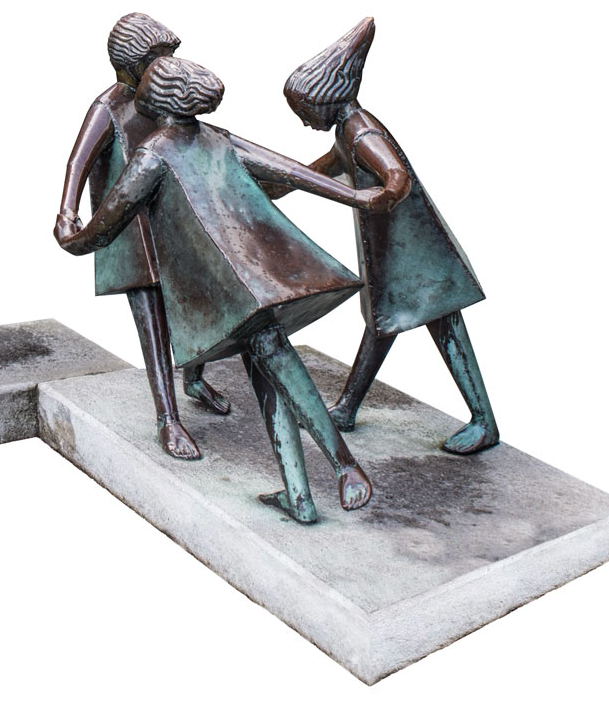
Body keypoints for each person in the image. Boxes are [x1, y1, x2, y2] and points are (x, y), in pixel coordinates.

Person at [58, 56, 398, 521]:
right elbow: (287, 170)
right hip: (257, 274)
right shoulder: (217, 137)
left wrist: (72, 239)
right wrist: (353, 196)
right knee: (268, 373)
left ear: (157, 101)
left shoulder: (152, 155)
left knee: (278, 364)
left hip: (222, 290)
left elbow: (106, 224)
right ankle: (298, 494)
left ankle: (345, 466)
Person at [282, 17, 499, 454]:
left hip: (417, 252)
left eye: (305, 112)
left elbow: (396, 177)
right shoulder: (347, 129)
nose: (304, 121)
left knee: (443, 324)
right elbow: (322, 169)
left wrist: (376, 198)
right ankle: (347, 406)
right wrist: (277, 183)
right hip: (393, 250)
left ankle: (484, 420)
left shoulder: (362, 132)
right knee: (382, 323)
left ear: (325, 100)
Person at [56, 14, 228, 460]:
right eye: (157, 60)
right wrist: (67, 211)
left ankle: (194, 378)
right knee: (151, 318)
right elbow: (78, 162)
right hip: (128, 226)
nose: (167, 68)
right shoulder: (108, 107)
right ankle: (167, 417)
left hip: (171, 213)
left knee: (197, 299)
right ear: (130, 66)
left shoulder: (165, 95)